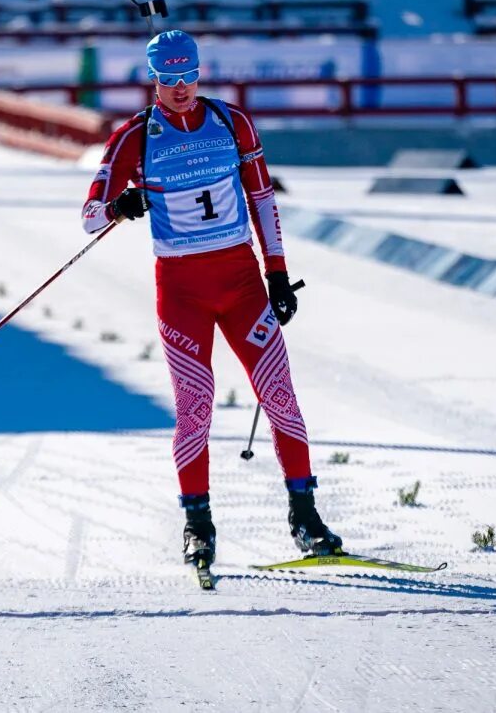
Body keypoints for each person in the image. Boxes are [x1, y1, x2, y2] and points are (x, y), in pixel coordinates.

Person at [80, 30, 342, 570]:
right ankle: (198, 525)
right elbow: (89, 217)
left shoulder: (231, 122)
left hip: (243, 284)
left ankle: (305, 517)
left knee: (281, 397)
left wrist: (277, 273)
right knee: (195, 409)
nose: (181, 88)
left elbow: (262, 197)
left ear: (200, 72)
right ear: (152, 79)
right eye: (168, 79)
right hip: (181, 291)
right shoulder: (134, 137)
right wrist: (121, 206)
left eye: (189, 76)